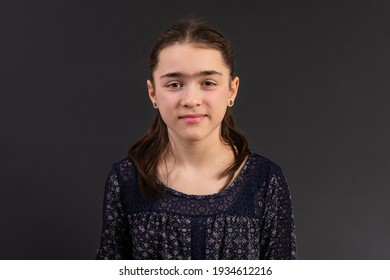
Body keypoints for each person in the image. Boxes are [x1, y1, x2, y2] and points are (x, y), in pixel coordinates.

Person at [96, 17, 296, 260]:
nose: (191, 99)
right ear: (153, 93)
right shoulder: (126, 181)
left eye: (208, 83)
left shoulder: (265, 181)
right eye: (174, 84)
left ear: (232, 90)